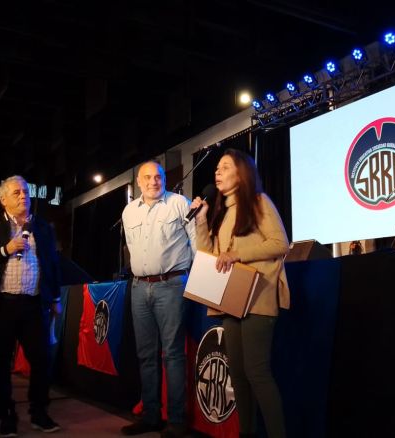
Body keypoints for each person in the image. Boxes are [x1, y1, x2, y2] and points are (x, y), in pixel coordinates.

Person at [191, 148, 290, 438]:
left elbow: (280, 243)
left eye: (224, 167)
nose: (217, 173)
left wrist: (238, 254)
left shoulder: (259, 202)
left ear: (241, 172)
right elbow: (208, 256)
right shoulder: (222, 212)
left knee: (257, 372)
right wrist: (202, 219)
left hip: (259, 296)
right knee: (238, 375)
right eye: (217, 169)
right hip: (231, 299)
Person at [0, 175, 62, 436]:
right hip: (2, 305)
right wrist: (4, 250)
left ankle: (39, 412)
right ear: (3, 199)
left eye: (26, 192)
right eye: (17, 192)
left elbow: (52, 263)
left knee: (42, 360)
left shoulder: (42, 227)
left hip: (33, 305)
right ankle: (5, 413)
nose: (23, 196)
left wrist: (55, 298)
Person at [119, 161, 195, 438]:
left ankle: (177, 421)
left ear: (165, 179)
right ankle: (150, 417)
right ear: (139, 182)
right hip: (139, 287)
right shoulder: (128, 211)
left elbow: (196, 244)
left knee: (173, 355)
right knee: (146, 356)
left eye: (158, 176)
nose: (154, 181)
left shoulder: (179, 203)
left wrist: (198, 282)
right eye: (148, 177)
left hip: (172, 285)